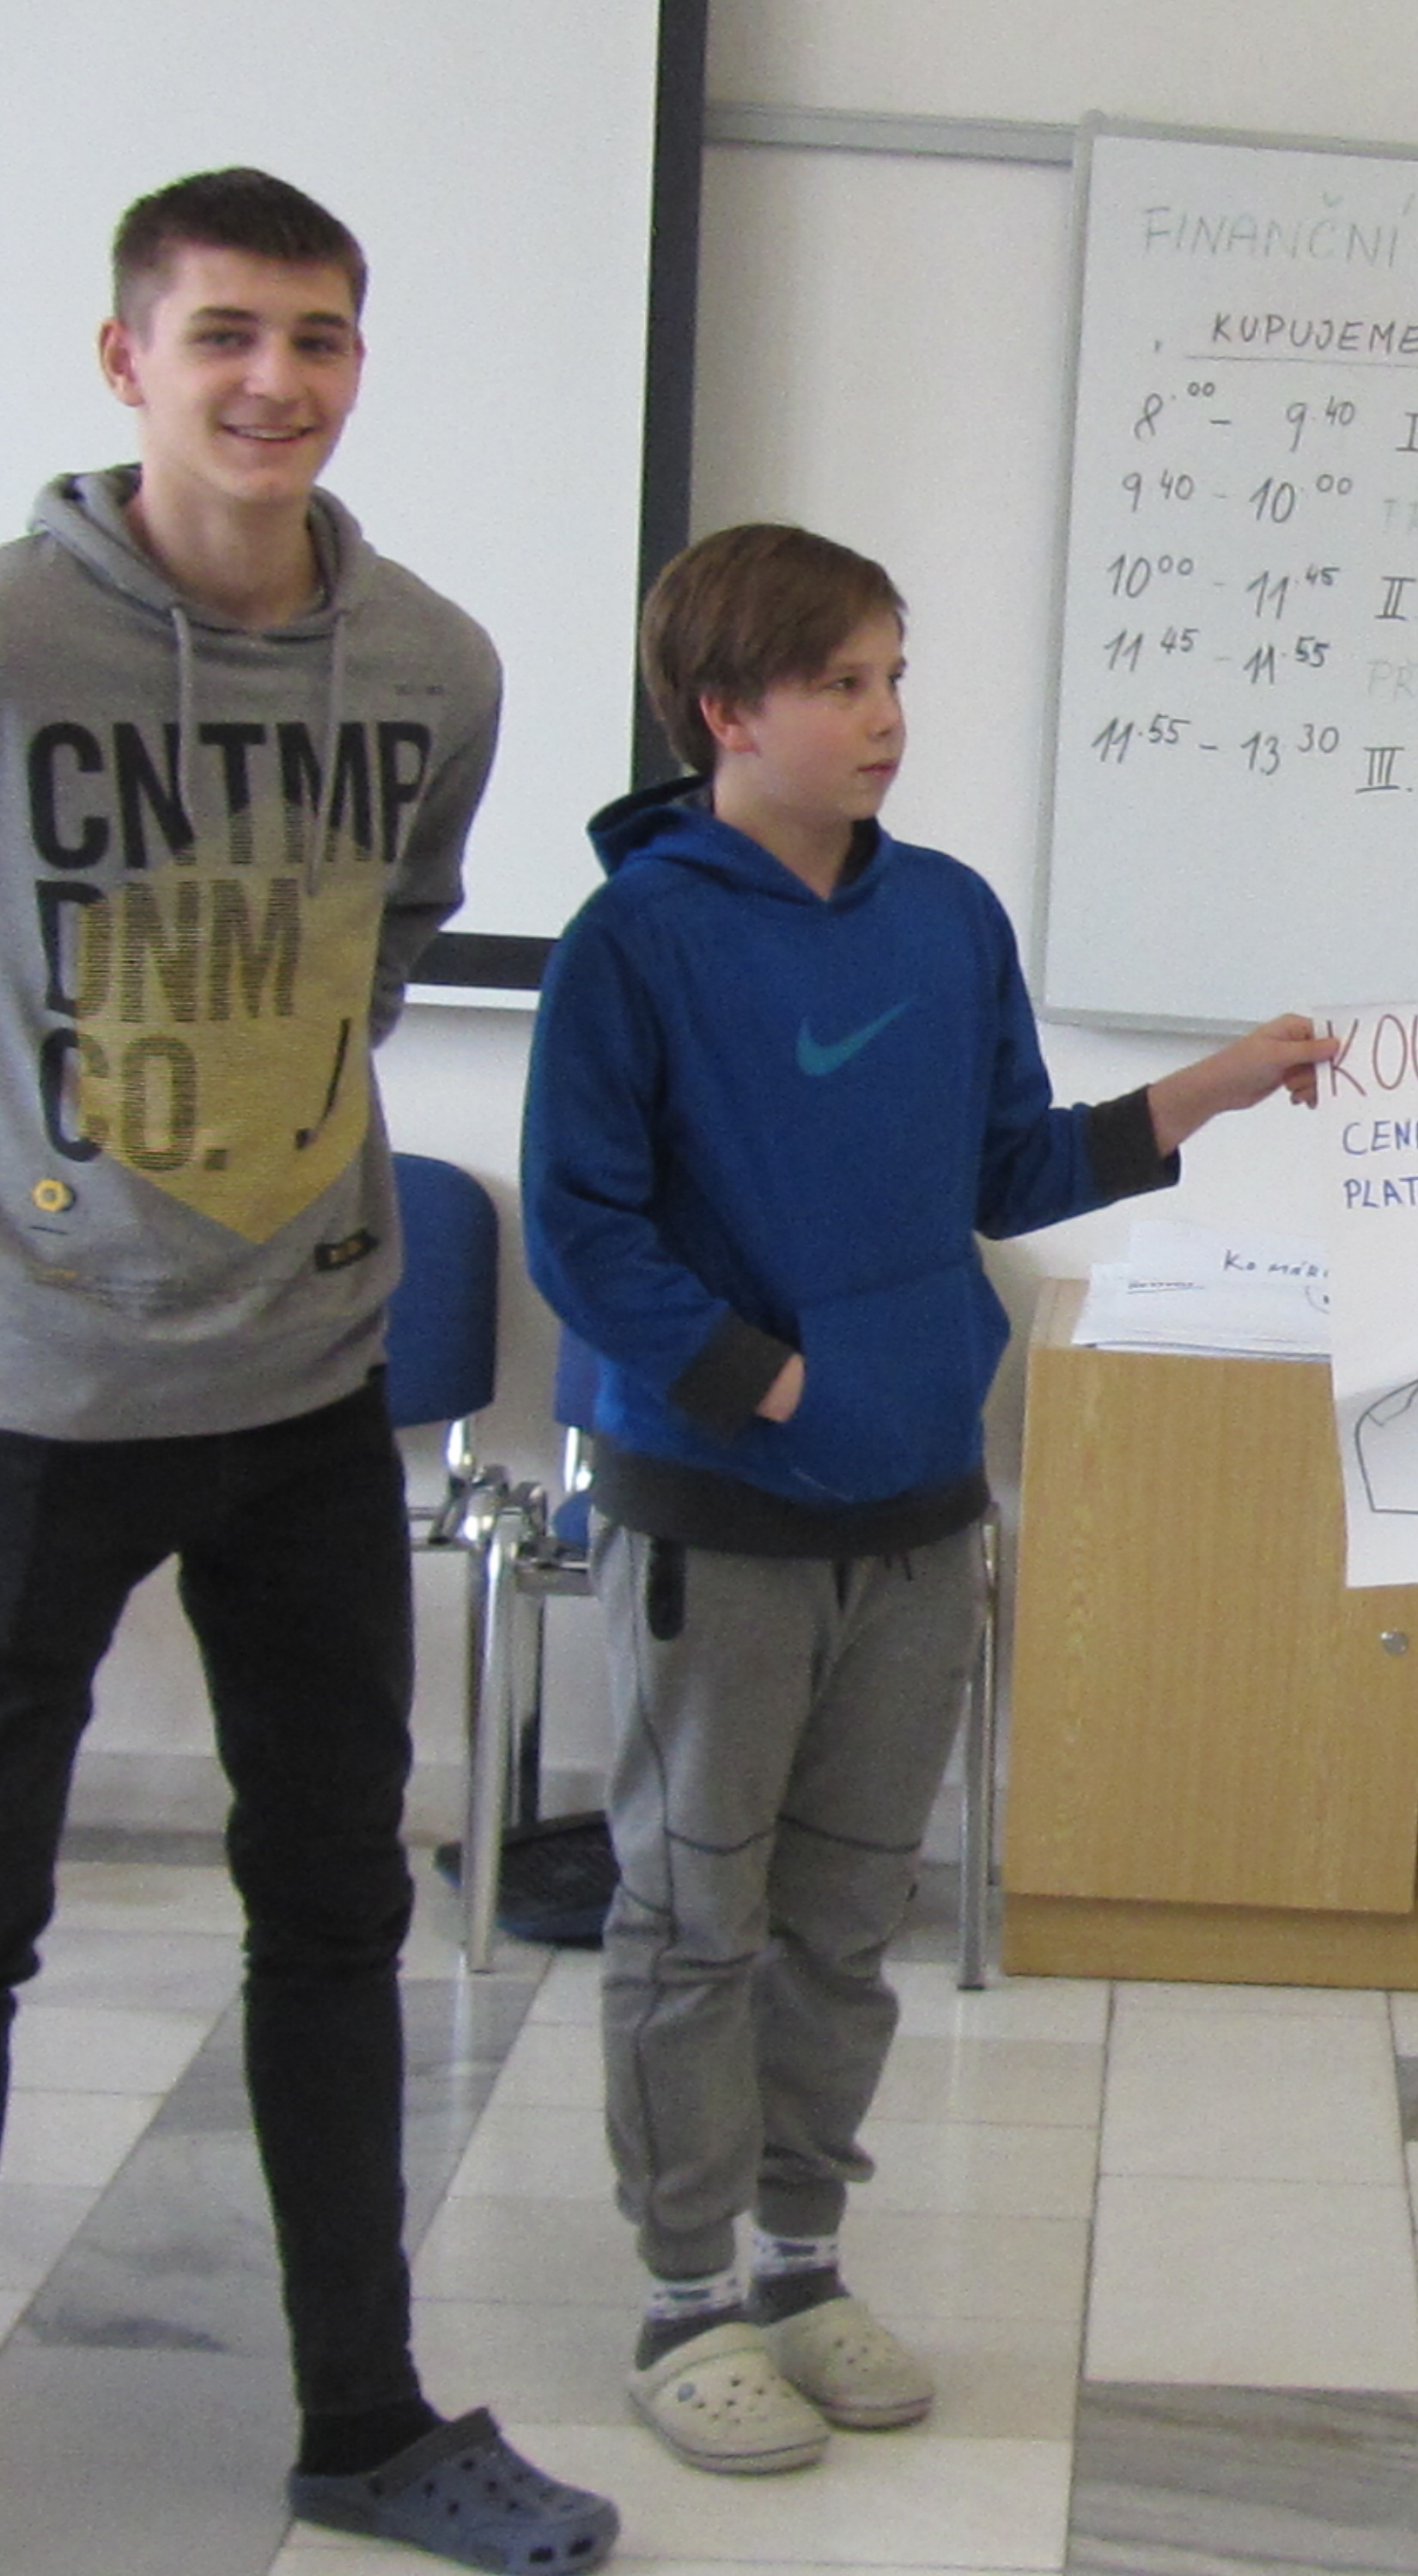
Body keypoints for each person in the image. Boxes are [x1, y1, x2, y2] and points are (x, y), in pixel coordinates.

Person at [521, 521, 1331, 2476]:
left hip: (915, 1507)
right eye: (845, 683)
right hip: (719, 1513)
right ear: (728, 712)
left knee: (844, 1916)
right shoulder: (635, 940)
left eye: (895, 676)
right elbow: (582, 1231)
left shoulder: (947, 916)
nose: (889, 717)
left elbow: (1008, 1168)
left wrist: (1214, 1087)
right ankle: (685, 2296)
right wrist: (765, 1377)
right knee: (694, 1917)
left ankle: (800, 2263)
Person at [0, 170, 617, 2572]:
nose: (277, 382)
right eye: (226, 334)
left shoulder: (432, 664)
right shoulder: (14, 641)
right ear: (123, 358)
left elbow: (383, 948)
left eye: (321, 338)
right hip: (36, 1397)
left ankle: (364, 2419)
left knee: (341, 1911)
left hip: (302, 1389)